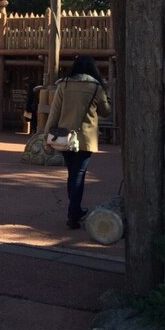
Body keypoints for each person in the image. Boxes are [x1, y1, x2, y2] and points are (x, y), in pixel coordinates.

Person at [43, 56, 111, 230]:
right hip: (86, 138)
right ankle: (73, 213)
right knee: (79, 174)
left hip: (65, 137)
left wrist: (47, 136)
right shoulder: (96, 86)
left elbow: (54, 112)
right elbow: (106, 111)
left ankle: (74, 210)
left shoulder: (63, 84)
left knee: (72, 173)